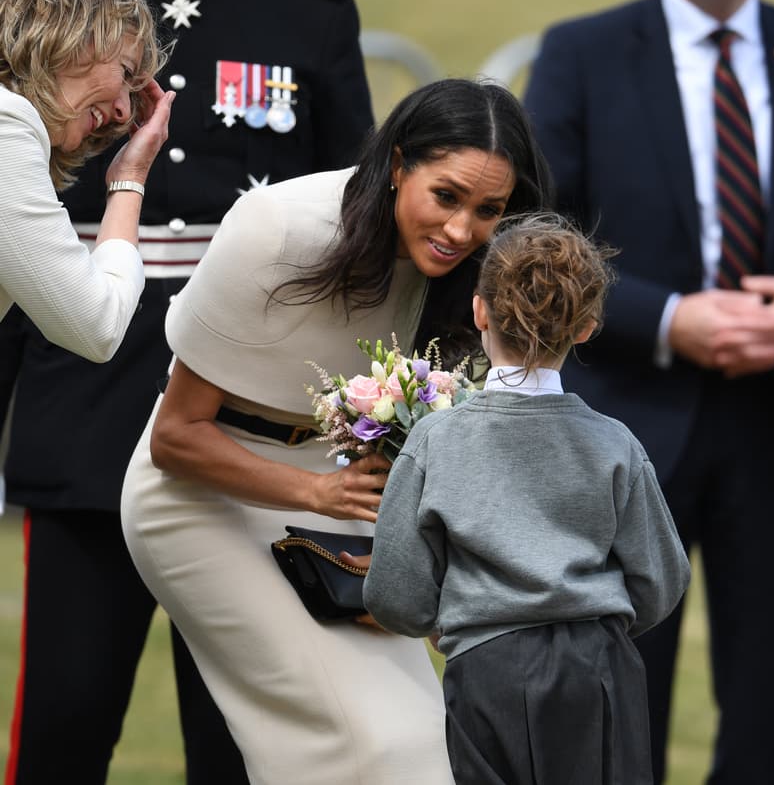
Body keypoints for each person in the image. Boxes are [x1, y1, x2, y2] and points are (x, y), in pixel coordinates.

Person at [522, 0, 774, 781]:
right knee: (618, 697)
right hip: (622, 429)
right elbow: (539, 235)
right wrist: (667, 317)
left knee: (769, 710)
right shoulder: (581, 54)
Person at [0, 0, 373, 782]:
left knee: (241, 736)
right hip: (83, 408)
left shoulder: (308, 4)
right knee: (65, 718)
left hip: (248, 423)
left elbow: (352, 224)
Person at [117, 79, 552, 785]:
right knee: (370, 749)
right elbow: (175, 438)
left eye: (490, 210)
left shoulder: (472, 270)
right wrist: (317, 492)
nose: (462, 230)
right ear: (400, 164)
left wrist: (417, 564)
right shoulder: (278, 226)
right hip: (197, 498)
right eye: (447, 196)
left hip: (342, 507)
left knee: (428, 746)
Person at [364, 213, 692, 785]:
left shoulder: (434, 441)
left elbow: (395, 594)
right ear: (588, 326)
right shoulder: (616, 444)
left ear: (479, 310)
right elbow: (661, 579)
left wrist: (445, 622)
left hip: (488, 667)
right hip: (601, 669)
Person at [0, 0, 171, 362]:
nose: (124, 113)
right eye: (126, 72)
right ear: (73, 36)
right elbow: (97, 327)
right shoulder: (7, 124)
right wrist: (130, 178)